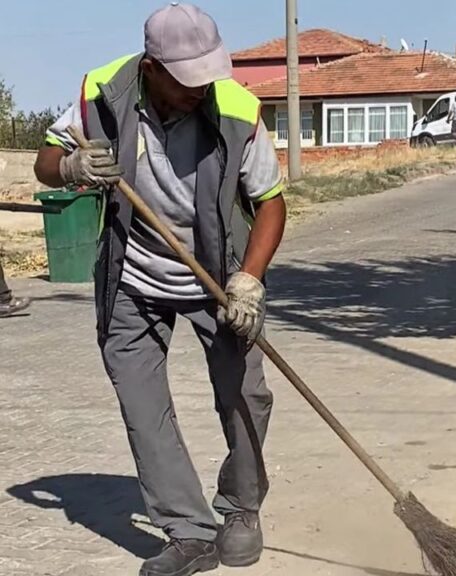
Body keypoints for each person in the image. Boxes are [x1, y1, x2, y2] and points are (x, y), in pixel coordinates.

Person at [33, 4, 286, 575]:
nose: (201, 90)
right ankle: (190, 532)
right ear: (151, 68)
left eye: (207, 76)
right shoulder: (100, 93)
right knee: (144, 408)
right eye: (186, 79)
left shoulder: (237, 108)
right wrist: (72, 167)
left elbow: (271, 203)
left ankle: (241, 508)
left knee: (245, 395)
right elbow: (45, 164)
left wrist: (248, 280)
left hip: (216, 277)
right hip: (131, 278)